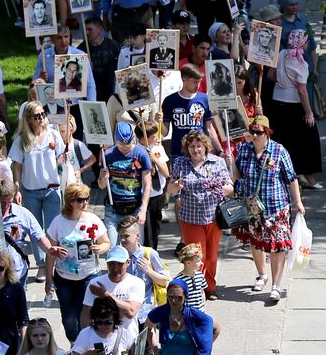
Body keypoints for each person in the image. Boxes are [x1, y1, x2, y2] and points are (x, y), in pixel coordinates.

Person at [230, 115, 305, 301]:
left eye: (258, 132)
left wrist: (298, 202)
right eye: (252, 131)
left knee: (277, 247)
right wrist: (230, 162)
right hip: (253, 207)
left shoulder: (278, 151)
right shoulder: (244, 150)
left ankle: (276, 286)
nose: (254, 135)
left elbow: (291, 178)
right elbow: (237, 176)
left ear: (267, 133)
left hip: (276, 206)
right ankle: (262, 275)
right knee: (255, 242)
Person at [166, 130, 231, 296]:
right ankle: (197, 290)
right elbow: (171, 189)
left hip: (213, 217)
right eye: (192, 146)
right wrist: (176, 186)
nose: (195, 150)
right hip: (190, 218)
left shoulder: (217, 162)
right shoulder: (181, 163)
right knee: (195, 257)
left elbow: (230, 187)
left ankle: (210, 287)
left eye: (199, 146)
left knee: (211, 256)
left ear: (205, 146)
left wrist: (219, 188)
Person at [43, 183, 111, 342]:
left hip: (88, 276)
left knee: (86, 314)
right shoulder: (58, 222)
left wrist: (100, 248)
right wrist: (48, 278)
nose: (85, 203)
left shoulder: (92, 219)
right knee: (68, 318)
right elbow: (50, 252)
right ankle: (74, 341)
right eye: (80, 200)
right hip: (64, 278)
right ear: (70, 201)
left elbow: (106, 243)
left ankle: (84, 344)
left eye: (87, 199)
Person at [10, 99, 67, 272]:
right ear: (28, 119)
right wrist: (17, 189)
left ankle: (53, 263)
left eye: (43, 114)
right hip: (30, 190)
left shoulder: (53, 134)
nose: (41, 118)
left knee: (51, 228)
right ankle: (41, 264)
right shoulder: (21, 139)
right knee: (34, 230)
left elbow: (61, 158)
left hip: (52, 190)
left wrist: (63, 157)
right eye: (37, 116)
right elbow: (17, 167)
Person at [271, 29, 322, 188]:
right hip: (294, 104)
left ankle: (287, 175)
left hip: (277, 100)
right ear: (303, 43)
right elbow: (302, 90)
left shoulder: (281, 54)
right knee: (307, 140)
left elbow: (271, 76)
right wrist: (309, 112)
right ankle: (306, 174)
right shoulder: (301, 63)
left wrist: (283, 82)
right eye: (306, 41)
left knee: (283, 140)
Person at [98, 120, 153, 245]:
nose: (125, 148)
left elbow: (147, 184)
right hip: (113, 208)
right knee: (113, 249)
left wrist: (143, 210)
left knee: (135, 248)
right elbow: (101, 185)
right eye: (122, 145)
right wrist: (103, 177)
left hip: (135, 207)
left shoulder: (141, 153)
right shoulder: (108, 155)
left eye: (128, 145)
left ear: (133, 138)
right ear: (116, 140)